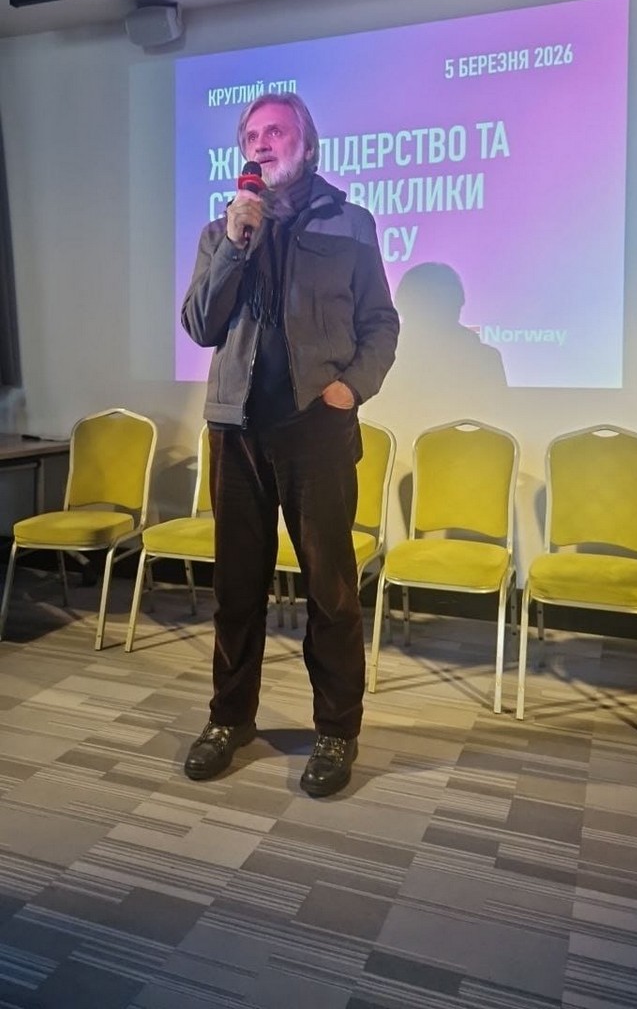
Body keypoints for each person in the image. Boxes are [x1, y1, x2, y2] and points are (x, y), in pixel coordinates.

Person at [181, 92, 399, 796]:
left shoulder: (350, 223)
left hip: (315, 429)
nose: (262, 142)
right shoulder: (223, 230)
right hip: (235, 429)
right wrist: (234, 245)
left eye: (276, 130)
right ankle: (229, 718)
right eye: (252, 134)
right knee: (235, 588)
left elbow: (380, 322)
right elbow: (200, 325)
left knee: (330, 589)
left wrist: (350, 388)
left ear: (307, 142)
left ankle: (336, 729)